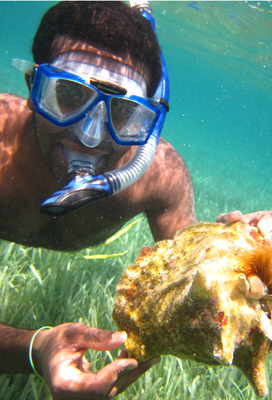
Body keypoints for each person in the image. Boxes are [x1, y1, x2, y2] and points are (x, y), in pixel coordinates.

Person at [1, 1, 272, 398]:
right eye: (68, 95)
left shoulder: (159, 177)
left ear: (148, 121)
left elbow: (186, 273)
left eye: (125, 113)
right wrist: (35, 347)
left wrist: (245, 253)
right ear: (32, 89)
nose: (90, 137)